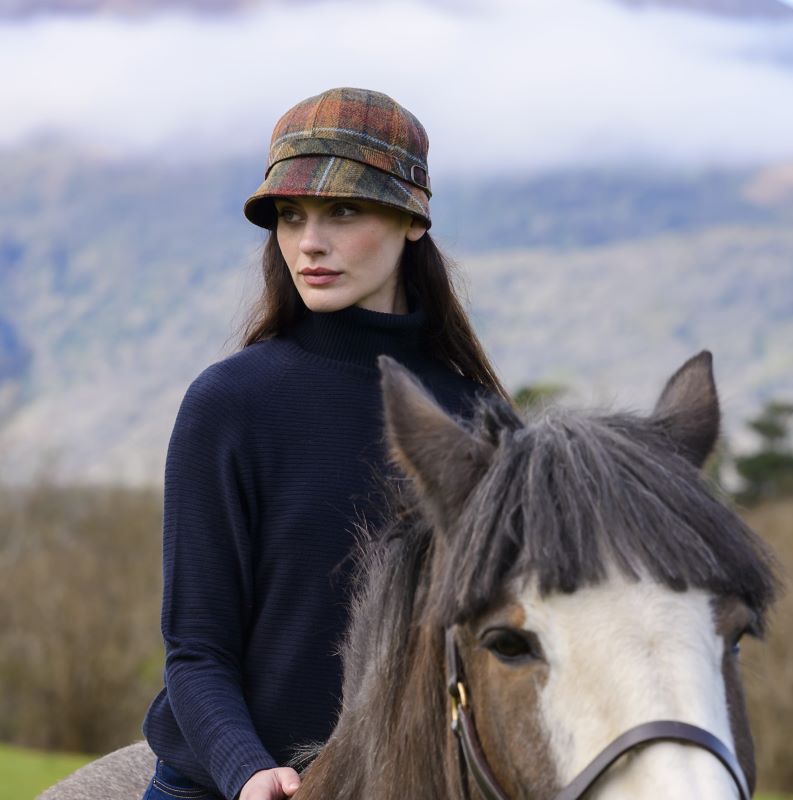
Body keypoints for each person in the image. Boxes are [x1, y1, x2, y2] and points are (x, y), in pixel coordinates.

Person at [141, 86, 508, 800]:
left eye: (344, 211)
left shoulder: (482, 423)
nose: (310, 242)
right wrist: (247, 771)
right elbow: (195, 650)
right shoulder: (229, 404)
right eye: (291, 215)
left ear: (412, 220)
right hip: (226, 787)